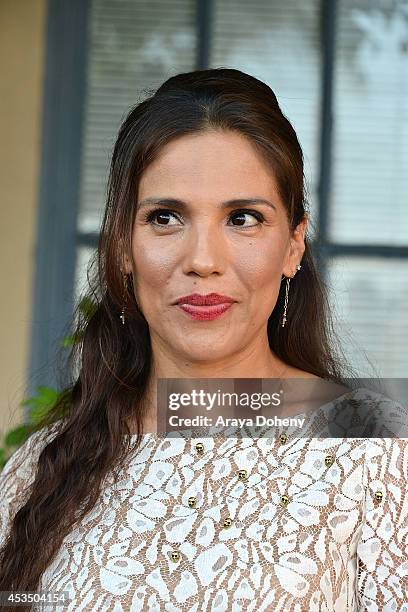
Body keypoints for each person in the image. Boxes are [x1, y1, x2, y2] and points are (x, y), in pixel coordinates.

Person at [0, 67, 407, 611]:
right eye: (165, 217)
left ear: (293, 246)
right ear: (123, 244)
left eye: (242, 218)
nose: (202, 261)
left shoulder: (377, 455)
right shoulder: (38, 469)